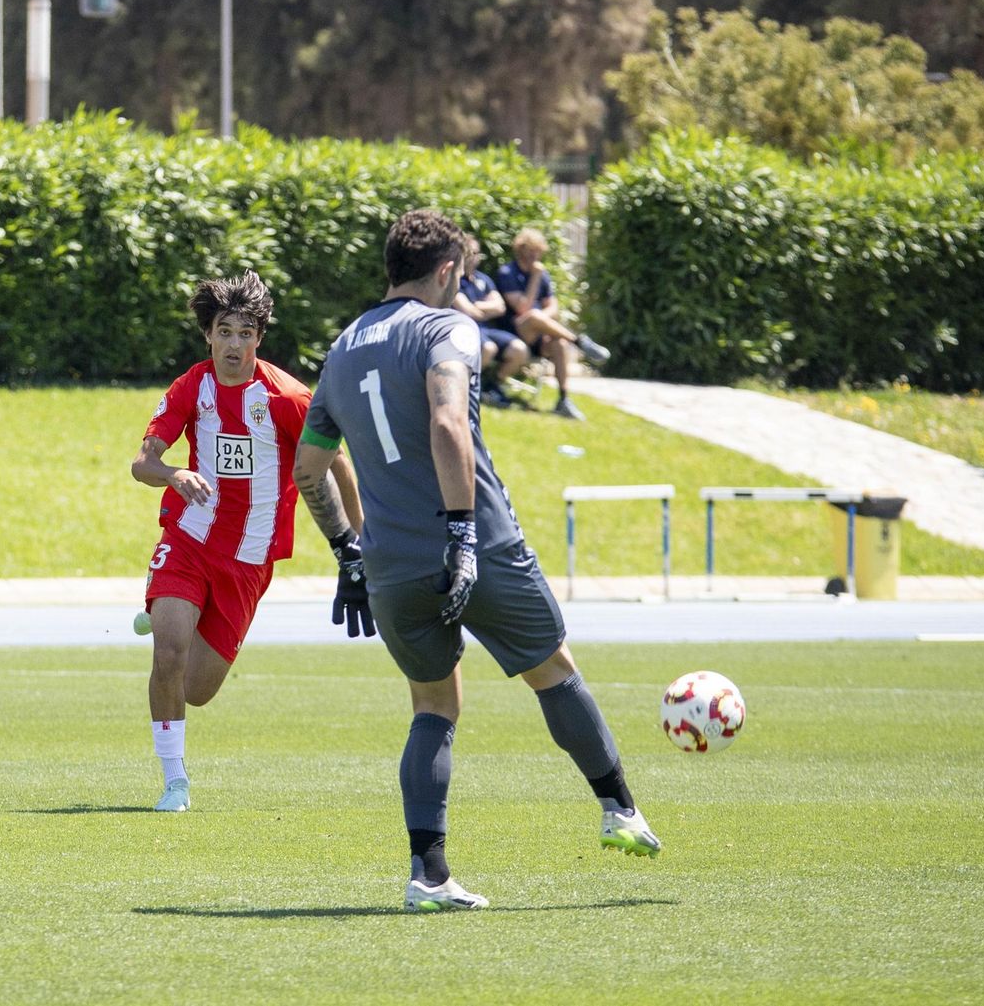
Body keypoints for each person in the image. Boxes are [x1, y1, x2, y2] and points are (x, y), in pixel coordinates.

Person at [292, 209, 660, 914]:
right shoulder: (447, 327)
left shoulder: (340, 349)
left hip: (391, 563)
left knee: (434, 703)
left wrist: (349, 554)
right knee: (552, 669)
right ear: (445, 272)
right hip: (477, 545)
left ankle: (427, 875)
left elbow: (312, 466)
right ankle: (619, 810)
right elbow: (446, 421)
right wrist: (461, 536)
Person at [131, 272, 358, 814]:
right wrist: (172, 475)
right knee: (168, 652)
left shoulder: (286, 397)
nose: (234, 344)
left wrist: (359, 539)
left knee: (195, 689)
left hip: (249, 560)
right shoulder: (191, 387)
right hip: (188, 540)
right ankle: (174, 782)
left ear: (260, 337)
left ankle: (163, 612)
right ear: (208, 336)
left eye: (245, 333)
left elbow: (337, 464)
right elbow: (143, 463)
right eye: (224, 332)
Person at [493, 227, 611, 421]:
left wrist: (542, 319)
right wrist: (536, 278)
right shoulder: (507, 273)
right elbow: (523, 308)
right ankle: (580, 342)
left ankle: (563, 399)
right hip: (515, 332)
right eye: (531, 250)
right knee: (532, 316)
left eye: (538, 250)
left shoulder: (543, 275)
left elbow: (553, 308)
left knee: (559, 344)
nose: (535, 255)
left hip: (538, 334)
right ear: (521, 250)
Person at [453, 235, 528, 407]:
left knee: (520, 350)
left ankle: (492, 385)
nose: (474, 257)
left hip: (485, 329)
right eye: (470, 253)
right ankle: (470, 389)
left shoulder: (483, 279)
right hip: (465, 329)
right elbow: (467, 311)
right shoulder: (454, 279)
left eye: (477, 253)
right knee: (488, 348)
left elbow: (500, 306)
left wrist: (478, 307)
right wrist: (486, 308)